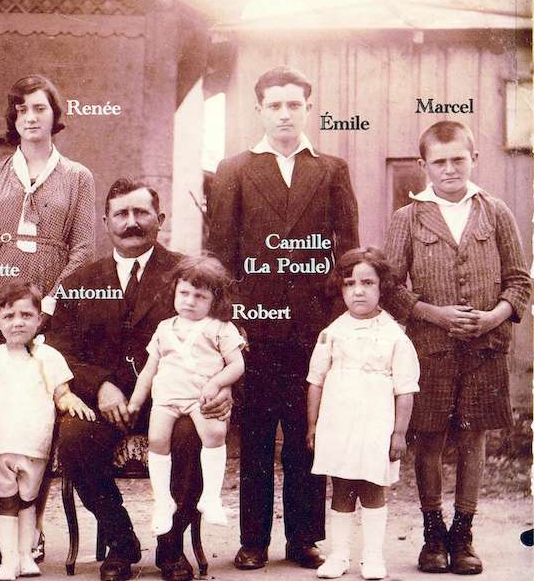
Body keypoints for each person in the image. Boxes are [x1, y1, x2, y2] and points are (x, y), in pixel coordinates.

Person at [206, 65, 359, 571]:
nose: (285, 114)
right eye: (275, 105)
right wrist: (232, 323)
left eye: (294, 104)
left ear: (308, 109)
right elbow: (221, 255)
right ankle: (253, 540)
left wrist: (336, 322)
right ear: (260, 110)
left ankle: (303, 538)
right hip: (254, 327)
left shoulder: (331, 170)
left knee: (305, 431)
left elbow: (347, 254)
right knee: (254, 435)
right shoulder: (234, 170)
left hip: (313, 330)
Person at [50, 178, 232, 581]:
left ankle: (171, 544)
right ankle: (120, 540)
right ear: (105, 222)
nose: (131, 222)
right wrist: (100, 385)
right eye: (121, 214)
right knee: (74, 439)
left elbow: (227, 337)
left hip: (175, 401)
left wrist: (223, 387)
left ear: (159, 219)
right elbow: (59, 350)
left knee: (191, 438)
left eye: (141, 213)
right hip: (105, 404)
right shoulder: (80, 282)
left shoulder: (190, 275)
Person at [383, 121, 531, 575]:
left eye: (458, 160)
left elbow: (520, 281)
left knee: (473, 439)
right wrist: (435, 314)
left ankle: (463, 534)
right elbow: (390, 287)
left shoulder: (496, 212)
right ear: (423, 165)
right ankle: (433, 534)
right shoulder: (408, 218)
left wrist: (494, 316)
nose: (449, 169)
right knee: (428, 439)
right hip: (430, 350)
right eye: (439, 162)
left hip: (486, 350)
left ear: (474, 160)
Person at [0, 282, 95, 580]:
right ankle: (9, 561)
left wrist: (69, 399)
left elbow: (61, 392)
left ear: (39, 319)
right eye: (9, 316)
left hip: (34, 443)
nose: (17, 322)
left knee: (28, 500)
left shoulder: (49, 357)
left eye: (26, 315)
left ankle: (25, 555)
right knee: (6, 502)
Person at [306, 248, 420, 580]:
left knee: (372, 488)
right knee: (341, 488)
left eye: (367, 283)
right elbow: (316, 381)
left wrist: (399, 433)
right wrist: (313, 425)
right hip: (338, 423)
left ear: (382, 286)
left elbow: (405, 388)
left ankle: (372, 556)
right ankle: (339, 555)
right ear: (340, 289)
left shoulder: (393, 334)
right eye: (349, 283)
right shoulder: (332, 332)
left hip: (375, 425)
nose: (358, 291)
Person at [127, 254, 245, 534]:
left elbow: (237, 365)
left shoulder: (220, 328)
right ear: (175, 292)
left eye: (200, 296)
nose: (190, 301)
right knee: (157, 440)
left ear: (214, 300)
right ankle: (163, 502)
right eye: (184, 293)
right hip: (166, 400)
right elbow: (149, 369)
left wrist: (216, 383)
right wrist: (135, 401)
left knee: (214, 434)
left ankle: (211, 497)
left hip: (200, 400)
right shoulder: (164, 328)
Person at [0, 74, 95, 312]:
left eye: (40, 109)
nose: (31, 118)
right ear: (13, 118)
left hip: (53, 299)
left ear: (54, 114)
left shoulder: (78, 176)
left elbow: (84, 250)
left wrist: (50, 303)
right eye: (22, 110)